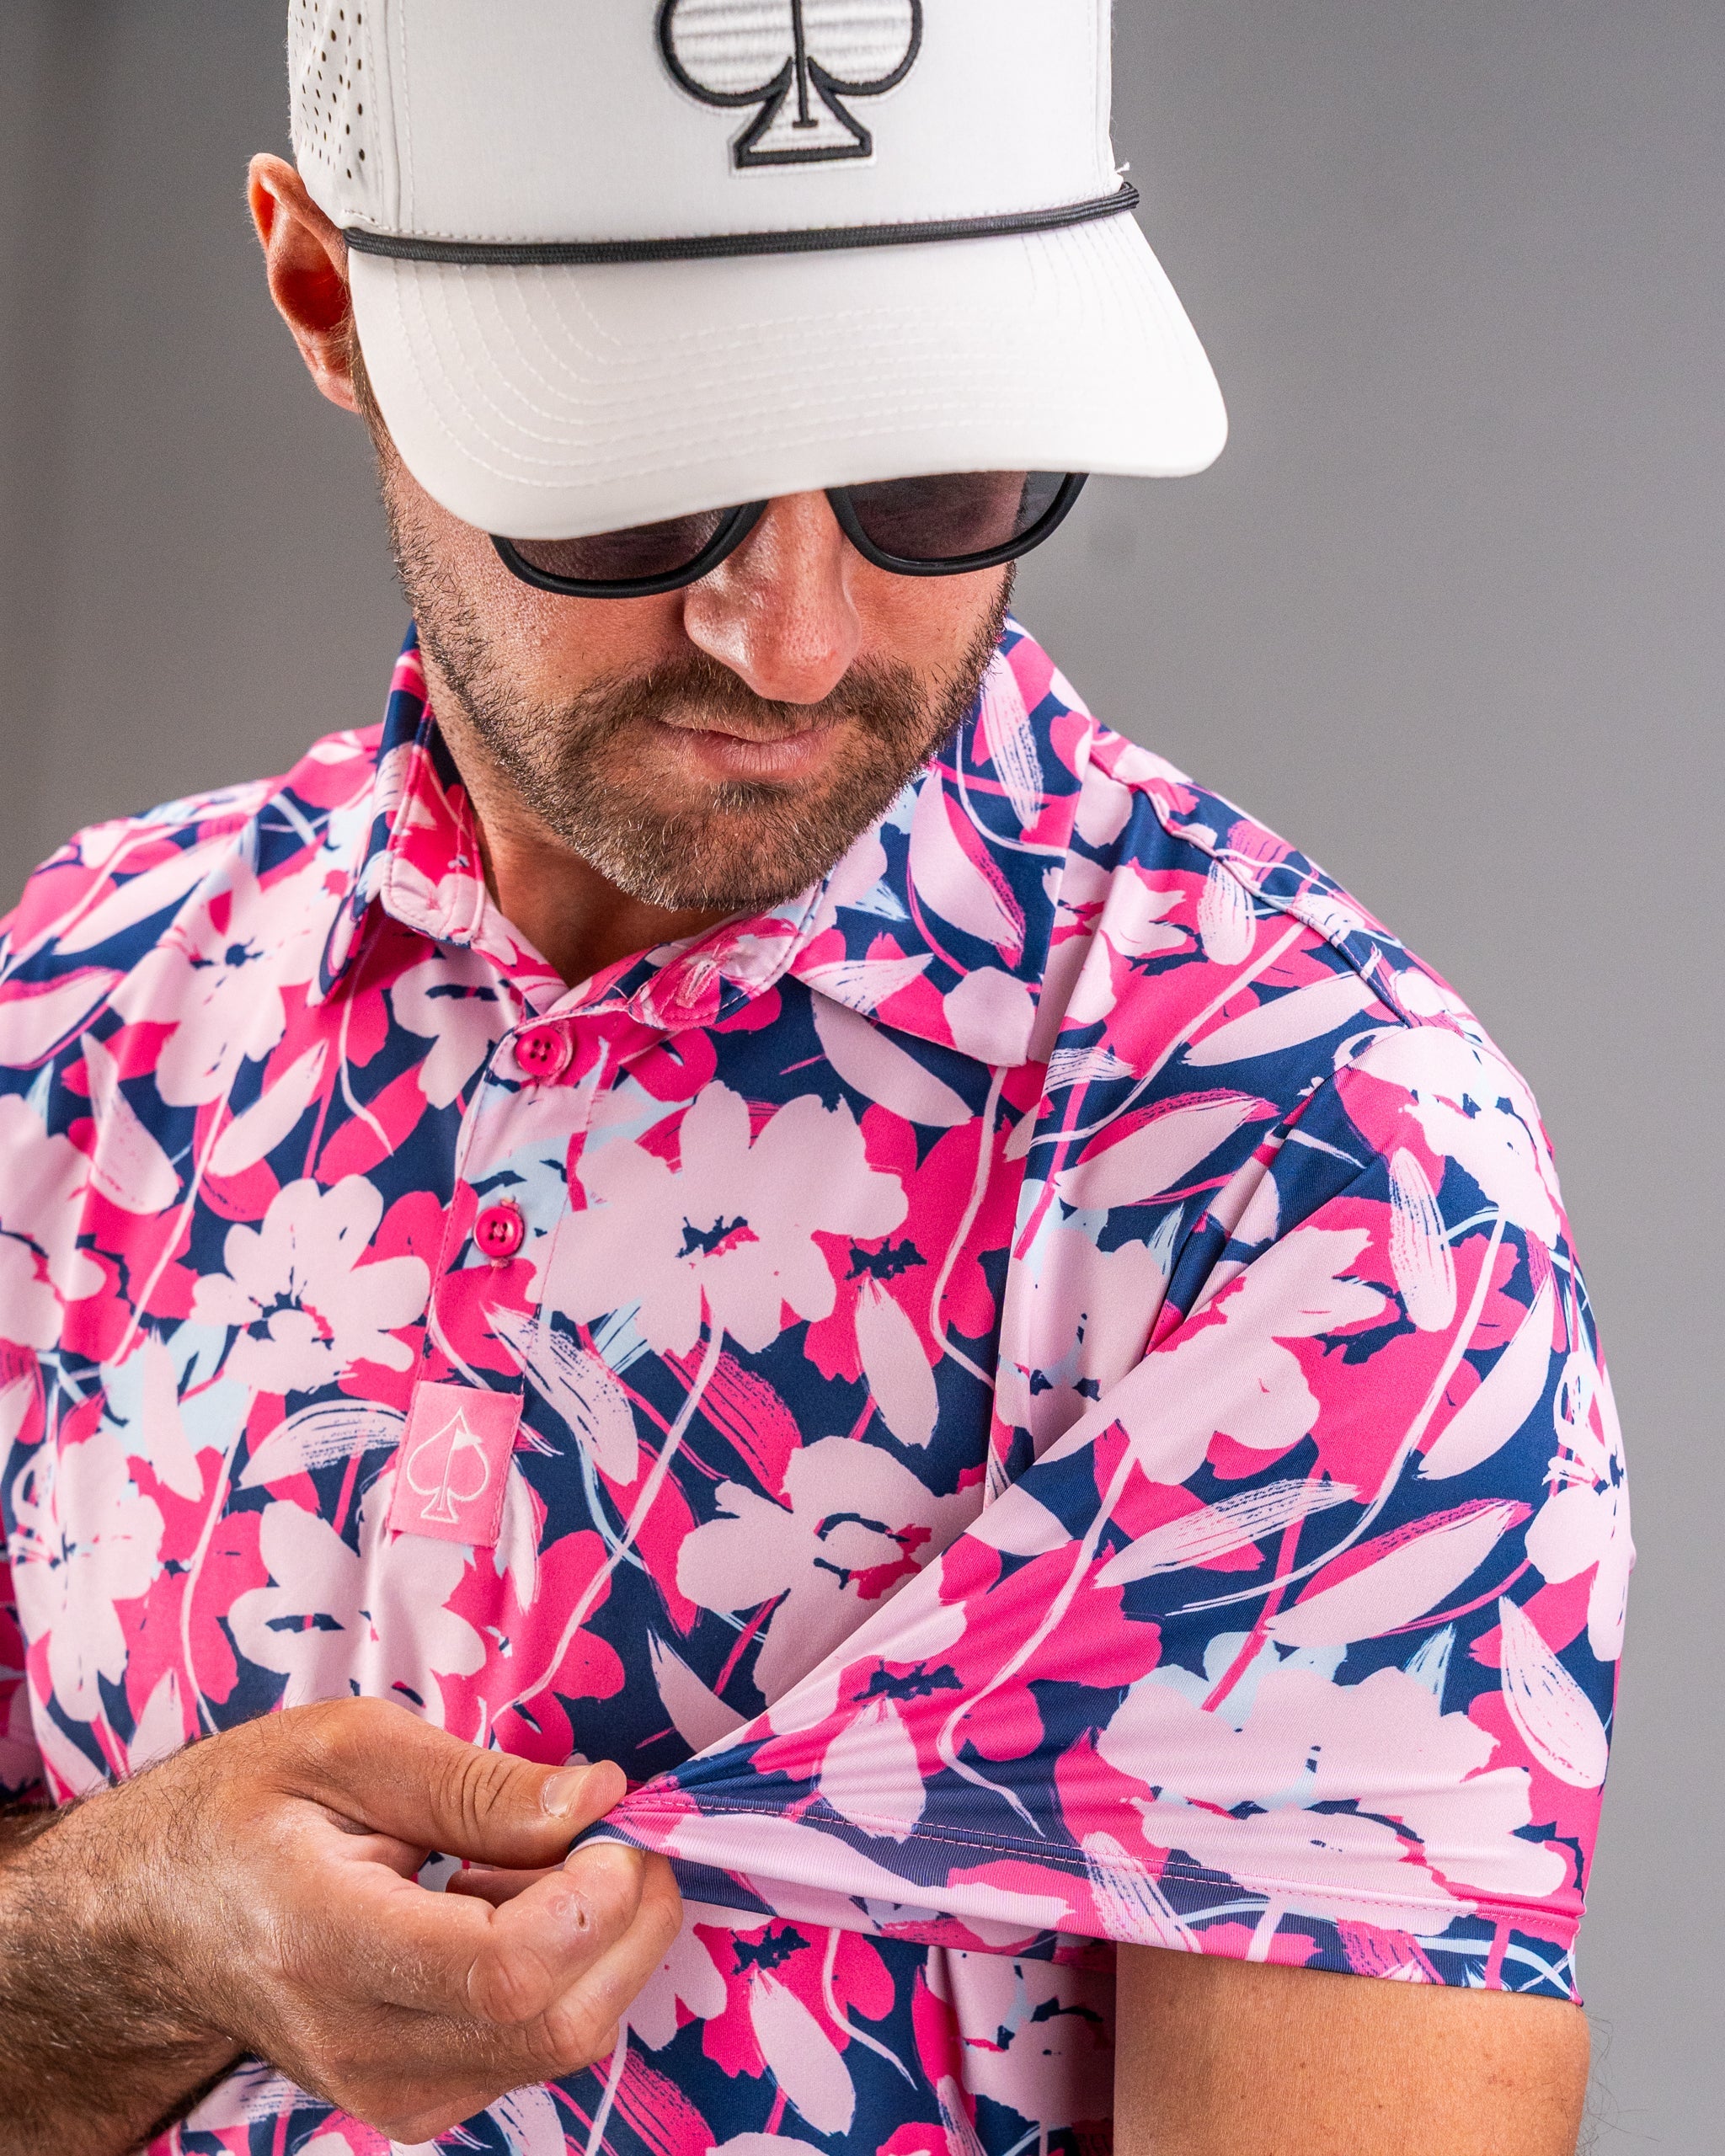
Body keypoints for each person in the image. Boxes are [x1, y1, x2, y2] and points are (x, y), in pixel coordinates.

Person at [0, 4, 1629, 2152]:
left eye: (933, 474)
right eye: (641, 478)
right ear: (325, 292)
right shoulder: (73, 1014)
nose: (791, 636)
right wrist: (134, 1932)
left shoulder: (1321, 1181)